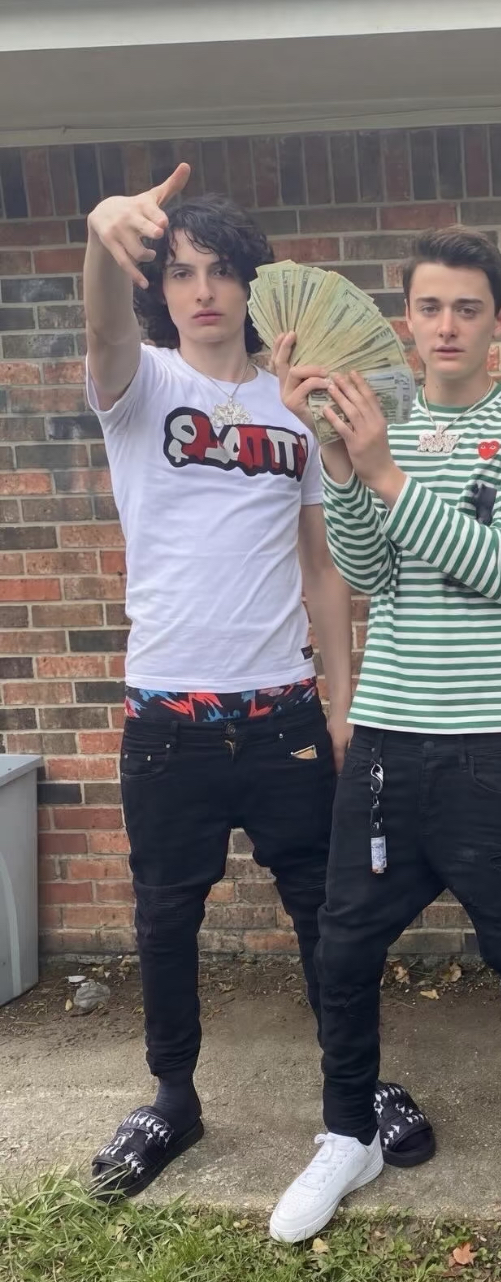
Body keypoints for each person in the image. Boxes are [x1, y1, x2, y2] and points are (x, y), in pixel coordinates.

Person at [268, 227, 501, 1243]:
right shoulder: (381, 418)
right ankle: (347, 1132)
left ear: (498, 319)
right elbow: (368, 571)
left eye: (467, 308)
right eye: (429, 307)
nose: (446, 326)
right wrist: (338, 454)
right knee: (344, 943)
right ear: (405, 318)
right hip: (388, 736)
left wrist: (385, 473)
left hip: (491, 738)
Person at [84, 166, 355, 1198]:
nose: (202, 290)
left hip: (283, 712)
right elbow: (103, 328)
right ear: (159, 288)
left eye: (221, 270)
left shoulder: (294, 406)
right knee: (166, 918)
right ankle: (172, 1098)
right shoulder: (141, 384)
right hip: (170, 720)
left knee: (325, 910)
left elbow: (322, 570)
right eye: (181, 272)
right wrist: (101, 236)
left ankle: (354, 1083)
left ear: (249, 282)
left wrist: (341, 704)